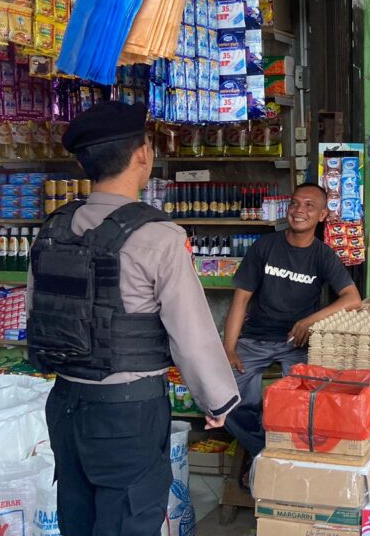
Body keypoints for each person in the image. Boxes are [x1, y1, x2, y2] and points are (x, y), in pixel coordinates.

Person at [27, 102, 240, 536]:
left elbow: (37, 311)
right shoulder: (158, 236)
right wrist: (218, 402)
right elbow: (192, 334)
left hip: (66, 404)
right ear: (142, 154)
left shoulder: (53, 228)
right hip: (128, 414)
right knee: (128, 519)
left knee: (78, 518)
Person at [223, 183, 361, 456]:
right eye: (295, 203)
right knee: (221, 395)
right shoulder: (265, 247)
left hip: (297, 343)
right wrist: (228, 349)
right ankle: (262, 452)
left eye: (309, 206)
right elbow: (240, 299)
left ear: (322, 215)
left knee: (304, 403)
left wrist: (309, 321)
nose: (299, 211)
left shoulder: (323, 255)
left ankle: (283, 453)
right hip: (255, 338)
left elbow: (352, 298)